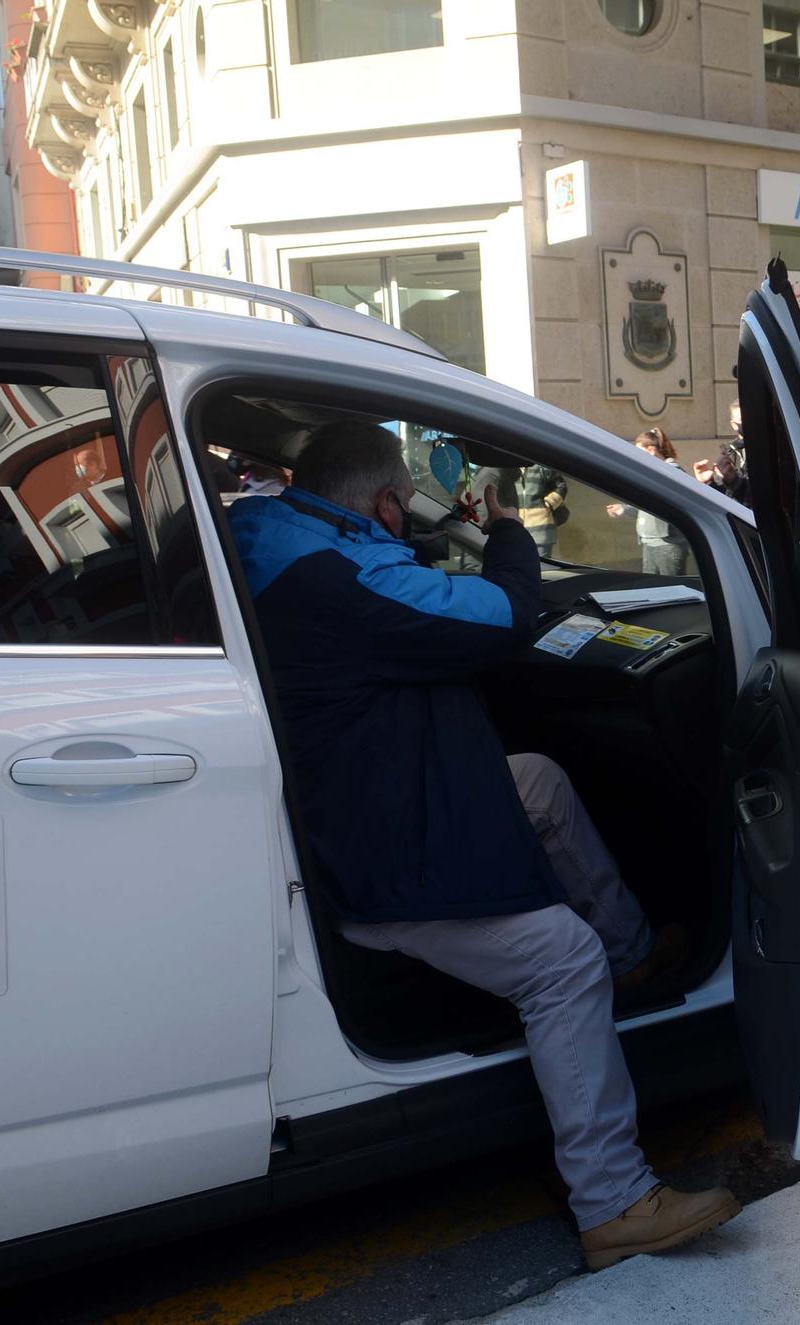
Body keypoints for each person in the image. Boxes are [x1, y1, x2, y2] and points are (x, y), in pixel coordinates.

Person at [227, 420, 737, 1269]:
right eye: (401, 504)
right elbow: (502, 613)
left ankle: (635, 954)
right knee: (560, 959)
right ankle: (612, 1197)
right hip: (383, 854)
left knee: (537, 779)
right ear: (388, 503)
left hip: (364, 793)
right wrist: (504, 531)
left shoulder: (269, 533)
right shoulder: (338, 579)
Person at [606, 428, 691, 575]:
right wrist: (624, 509)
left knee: (671, 591)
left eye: (639, 452)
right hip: (649, 543)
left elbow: (671, 506)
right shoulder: (651, 473)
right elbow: (648, 506)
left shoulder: (672, 472)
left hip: (668, 545)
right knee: (652, 591)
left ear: (651, 450)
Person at [693, 400, 750, 505]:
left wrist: (735, 482)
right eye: (742, 419)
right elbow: (724, 498)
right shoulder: (729, 452)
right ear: (734, 425)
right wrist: (708, 482)